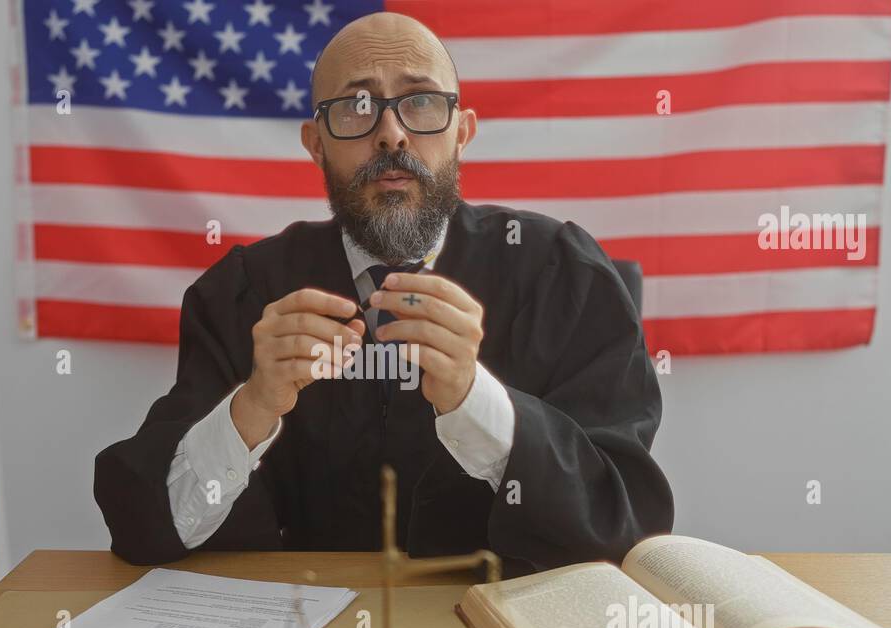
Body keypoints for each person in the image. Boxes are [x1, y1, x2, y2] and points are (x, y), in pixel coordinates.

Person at [94, 12, 674, 574]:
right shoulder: (244, 293)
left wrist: (477, 401)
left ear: (462, 133)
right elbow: (144, 528)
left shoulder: (562, 276)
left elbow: (626, 525)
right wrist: (252, 408)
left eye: (420, 100)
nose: (390, 132)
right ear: (316, 144)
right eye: (356, 106)